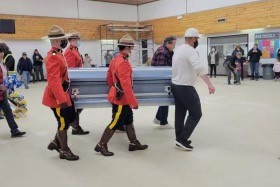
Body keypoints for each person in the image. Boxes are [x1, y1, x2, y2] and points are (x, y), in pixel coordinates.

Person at [94, 34, 148, 156]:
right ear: (127, 48)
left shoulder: (115, 59)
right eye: (131, 48)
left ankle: (133, 142)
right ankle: (101, 144)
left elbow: (108, 76)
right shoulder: (123, 62)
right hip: (122, 99)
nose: (132, 50)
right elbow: (126, 85)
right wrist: (133, 102)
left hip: (119, 95)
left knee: (129, 119)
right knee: (116, 122)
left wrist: (113, 87)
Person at [171, 28, 215, 151]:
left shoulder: (178, 49)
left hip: (175, 85)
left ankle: (179, 138)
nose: (197, 41)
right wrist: (209, 84)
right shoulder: (190, 51)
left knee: (180, 113)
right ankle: (182, 139)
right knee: (196, 113)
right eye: (196, 39)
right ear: (192, 39)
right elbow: (199, 68)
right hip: (185, 87)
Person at [43, 25, 79, 161]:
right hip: (57, 97)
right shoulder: (53, 56)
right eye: (63, 39)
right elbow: (53, 81)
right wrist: (61, 100)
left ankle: (55, 142)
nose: (65, 41)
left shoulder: (58, 53)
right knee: (63, 123)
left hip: (63, 92)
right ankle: (64, 150)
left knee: (70, 118)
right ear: (58, 40)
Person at [64, 30, 89, 135]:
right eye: (77, 39)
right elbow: (69, 69)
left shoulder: (75, 49)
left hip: (78, 80)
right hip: (73, 82)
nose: (78, 41)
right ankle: (74, 125)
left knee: (78, 104)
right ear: (72, 40)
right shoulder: (69, 51)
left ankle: (74, 125)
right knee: (76, 104)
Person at [0, 43, 26, 138]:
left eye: (2, 51)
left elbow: (5, 76)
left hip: (3, 93)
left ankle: (14, 131)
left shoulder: (2, 63)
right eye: (0, 52)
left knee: (8, 112)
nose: (1, 54)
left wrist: (10, 83)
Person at [151, 36, 176, 128]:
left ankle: (158, 118)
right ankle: (163, 122)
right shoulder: (163, 52)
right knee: (166, 98)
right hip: (161, 79)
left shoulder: (167, 51)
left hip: (161, 78)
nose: (174, 46)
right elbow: (162, 70)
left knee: (165, 99)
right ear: (167, 44)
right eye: (173, 44)